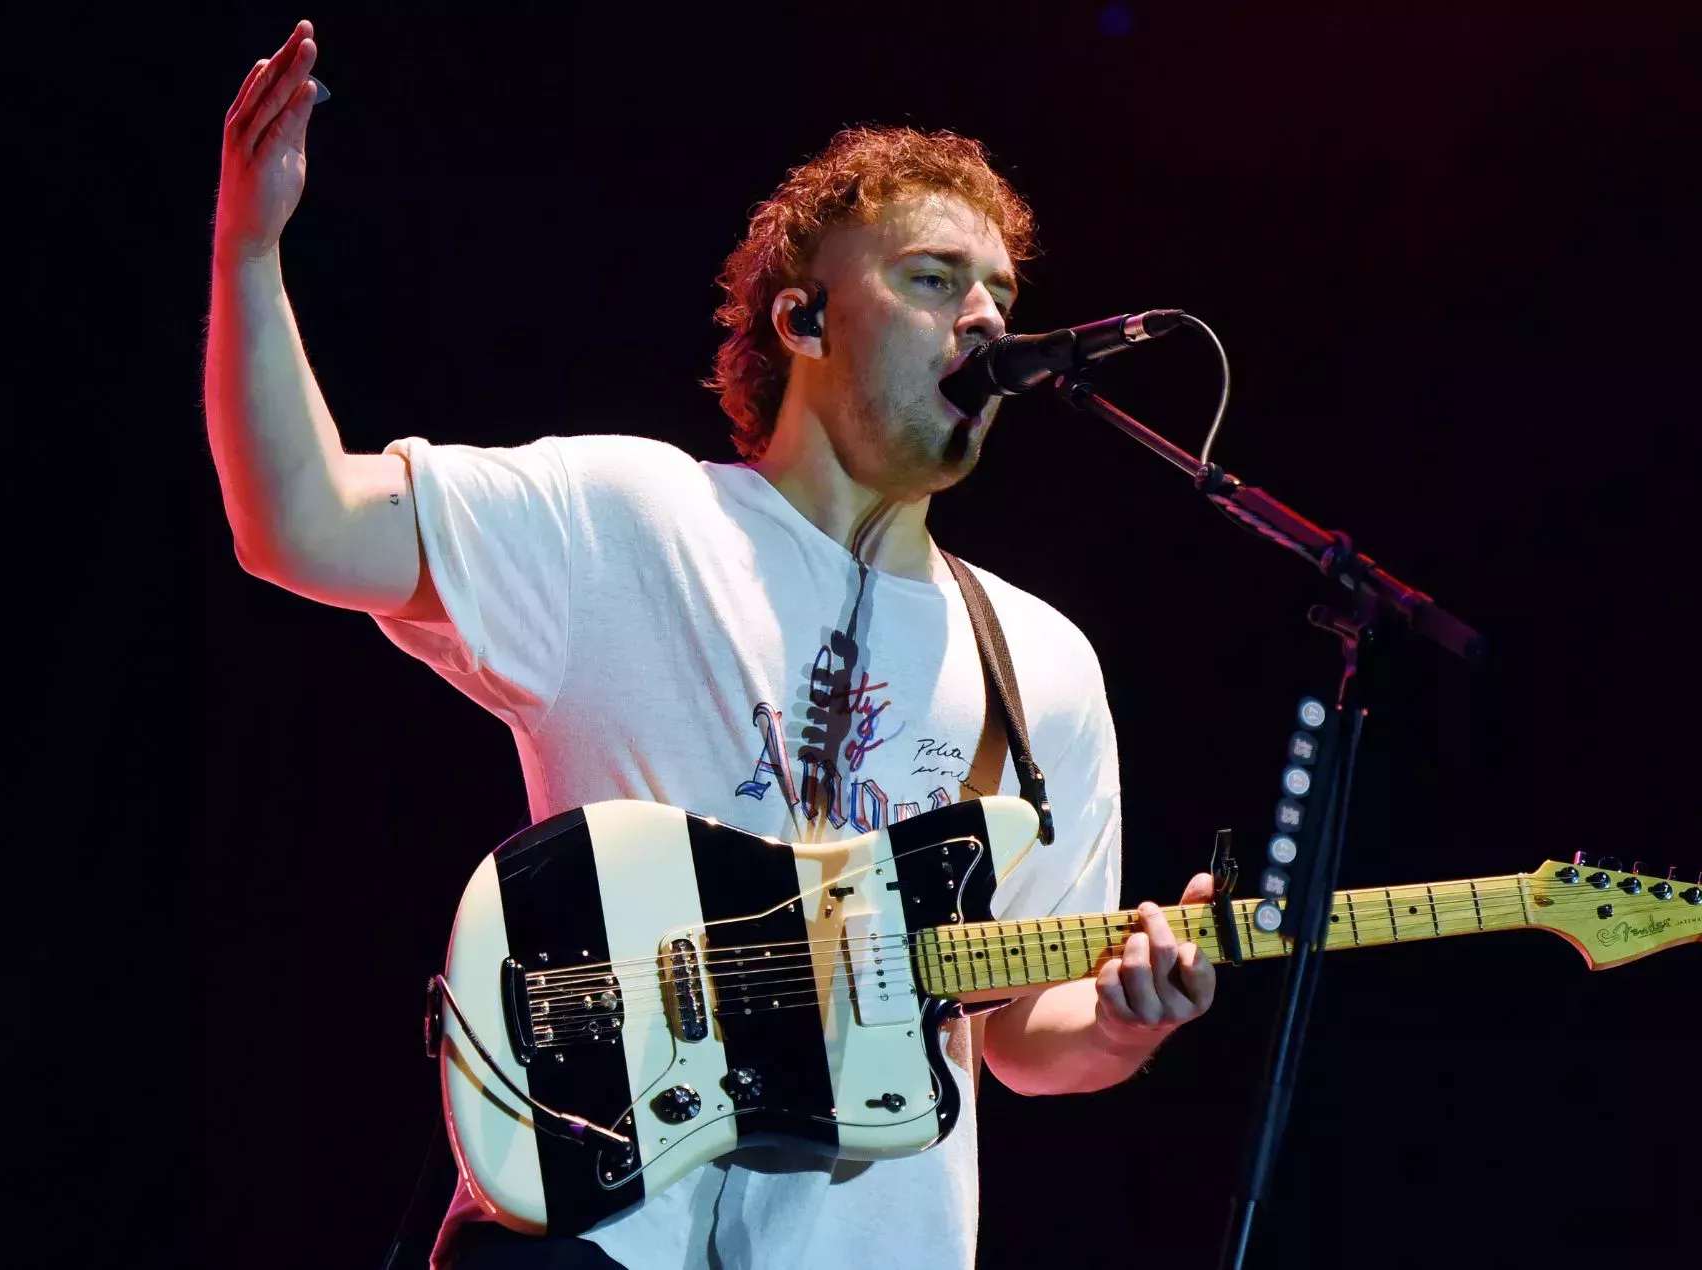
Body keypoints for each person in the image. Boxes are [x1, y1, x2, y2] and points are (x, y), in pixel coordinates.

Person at [207, 20, 1218, 1270]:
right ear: (801, 320)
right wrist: (250, 251)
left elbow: (1022, 1036)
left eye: (1001, 293)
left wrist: (1127, 1020)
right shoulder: (628, 516)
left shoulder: (1040, 661)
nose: (981, 318)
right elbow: (297, 522)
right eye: (931, 279)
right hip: (592, 1230)